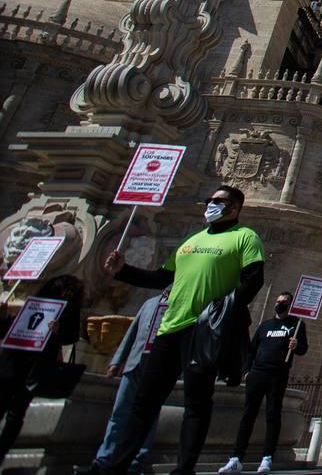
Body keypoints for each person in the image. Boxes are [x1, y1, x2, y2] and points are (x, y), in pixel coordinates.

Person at [80, 185, 265, 475]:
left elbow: (253, 279)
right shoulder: (191, 240)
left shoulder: (245, 237)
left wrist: (222, 313)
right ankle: (114, 466)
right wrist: (123, 271)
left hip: (203, 329)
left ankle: (184, 468)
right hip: (171, 326)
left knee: (197, 401)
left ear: (235, 207)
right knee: (144, 400)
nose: (210, 204)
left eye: (218, 201)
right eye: (209, 200)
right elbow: (162, 278)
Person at [219, 291, 309, 474]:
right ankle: (236, 458)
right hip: (257, 373)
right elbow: (251, 350)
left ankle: (267, 458)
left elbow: (303, 349)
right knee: (248, 415)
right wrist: (246, 372)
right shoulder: (265, 326)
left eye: (284, 302)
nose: (280, 304)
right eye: (278, 301)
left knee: (273, 415)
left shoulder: (296, 325)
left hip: (278, 374)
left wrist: (296, 346)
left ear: (291, 305)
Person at [0, 274, 84, 464]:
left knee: (14, 415)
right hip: (16, 366)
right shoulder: (34, 307)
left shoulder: (66, 313)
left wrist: (58, 331)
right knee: (13, 414)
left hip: (27, 369)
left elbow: (70, 336)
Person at [94, 289, 169, 475]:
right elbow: (131, 333)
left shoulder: (181, 305)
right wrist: (117, 361)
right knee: (119, 412)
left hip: (157, 367)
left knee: (148, 417)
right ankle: (104, 457)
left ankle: (137, 460)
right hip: (134, 364)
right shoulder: (150, 303)